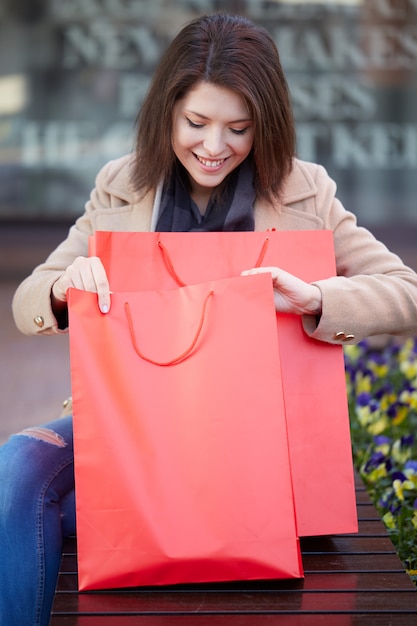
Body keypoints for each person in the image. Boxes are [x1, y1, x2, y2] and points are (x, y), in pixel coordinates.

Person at [1, 11, 417, 625]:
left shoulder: (305, 190)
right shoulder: (121, 184)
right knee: (17, 469)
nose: (215, 147)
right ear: (166, 112)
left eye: (239, 128)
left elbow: (405, 289)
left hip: (261, 442)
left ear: (264, 125)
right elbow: (26, 301)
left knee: (67, 517)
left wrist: (318, 298)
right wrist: (64, 286)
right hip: (136, 432)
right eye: (196, 122)